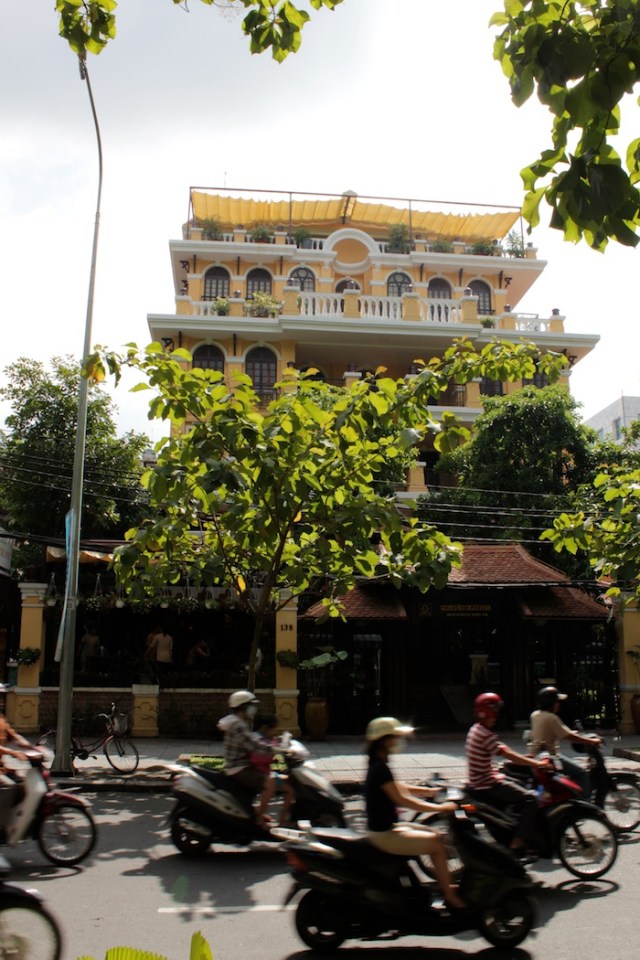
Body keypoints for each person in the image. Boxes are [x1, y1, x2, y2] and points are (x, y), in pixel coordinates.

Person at [364, 716, 466, 911]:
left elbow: (397, 787)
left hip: (388, 828)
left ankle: (443, 886)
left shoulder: (378, 764)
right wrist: (439, 808)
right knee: (436, 842)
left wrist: (429, 791)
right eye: (394, 737)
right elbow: (402, 799)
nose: (397, 741)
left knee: (438, 836)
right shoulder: (380, 768)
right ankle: (449, 893)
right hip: (385, 834)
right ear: (384, 741)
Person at [466, 692, 547, 852]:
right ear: (487, 711)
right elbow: (508, 754)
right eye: (494, 710)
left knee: (521, 782)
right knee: (531, 799)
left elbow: (504, 749)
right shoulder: (485, 734)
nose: (496, 715)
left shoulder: (476, 729)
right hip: (487, 783)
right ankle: (517, 842)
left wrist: (528, 757)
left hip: (483, 779)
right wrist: (537, 764)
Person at [217, 690, 278, 828]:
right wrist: (273, 749)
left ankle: (257, 813)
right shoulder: (238, 725)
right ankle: (259, 820)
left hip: (241, 765)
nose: (254, 709)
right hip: (238, 767)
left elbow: (252, 740)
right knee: (270, 783)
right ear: (243, 707)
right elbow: (252, 745)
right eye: (251, 706)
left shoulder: (239, 722)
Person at [529, 686, 600, 797]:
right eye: (557, 702)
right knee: (582, 773)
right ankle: (585, 804)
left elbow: (557, 730)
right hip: (551, 757)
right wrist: (591, 741)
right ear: (551, 703)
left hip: (536, 755)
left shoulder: (535, 715)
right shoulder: (551, 718)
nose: (559, 704)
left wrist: (572, 733)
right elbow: (569, 736)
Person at [251, 713, 295, 826]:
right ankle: (264, 817)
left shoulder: (266, 738)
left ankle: (279, 819)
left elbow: (274, 748)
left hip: (268, 772)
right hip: (260, 773)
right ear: (266, 728)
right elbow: (265, 752)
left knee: (289, 786)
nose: (274, 732)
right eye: (273, 729)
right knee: (287, 789)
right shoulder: (257, 739)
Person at [0, 712, 31, 827]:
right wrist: (12, 752)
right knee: (8, 785)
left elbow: (13, 735)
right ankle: (2, 827)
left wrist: (30, 746)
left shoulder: (1, 719)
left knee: (23, 783)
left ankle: (13, 820)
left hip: (2, 768)